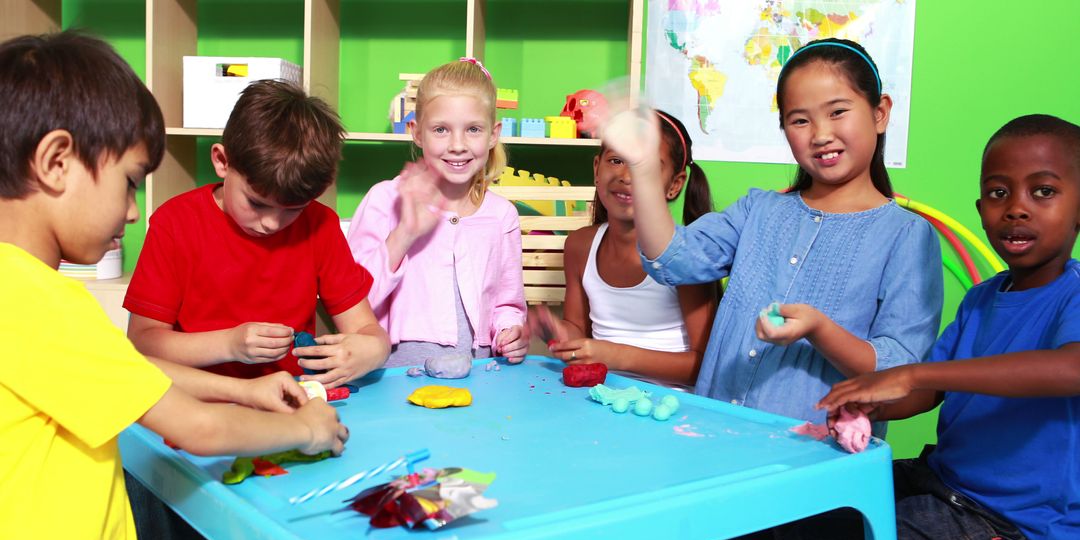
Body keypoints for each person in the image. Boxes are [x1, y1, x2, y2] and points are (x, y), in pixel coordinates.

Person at [0, 31, 348, 540]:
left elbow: (130, 372)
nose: (133, 211)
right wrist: (306, 429)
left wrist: (251, 393)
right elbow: (200, 428)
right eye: (130, 181)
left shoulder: (16, 292)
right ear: (56, 161)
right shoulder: (41, 303)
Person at [604, 38, 944, 540]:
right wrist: (646, 169)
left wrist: (819, 330)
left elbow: (900, 368)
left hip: (814, 479)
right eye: (799, 120)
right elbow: (671, 259)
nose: (822, 134)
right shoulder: (758, 210)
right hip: (715, 456)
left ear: (880, 113)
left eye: (838, 112)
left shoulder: (906, 237)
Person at [781, 114, 1080, 540]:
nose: (1017, 208)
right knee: (804, 505)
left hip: (1015, 528)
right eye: (999, 193)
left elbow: (1070, 370)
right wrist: (872, 403)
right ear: (981, 210)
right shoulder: (982, 299)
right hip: (945, 486)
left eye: (1043, 191)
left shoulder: (1074, 295)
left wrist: (910, 372)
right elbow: (927, 393)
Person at [124, 79, 389, 387]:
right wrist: (229, 345)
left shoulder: (320, 224)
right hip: (196, 398)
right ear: (223, 161)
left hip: (290, 396)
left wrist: (375, 348)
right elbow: (142, 342)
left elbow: (365, 329)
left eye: (293, 209)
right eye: (257, 203)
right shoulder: (175, 223)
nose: (272, 224)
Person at [346, 58, 528, 367]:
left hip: (479, 378)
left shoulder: (502, 216)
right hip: (395, 378)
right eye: (441, 129)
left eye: (473, 129)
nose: (457, 145)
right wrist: (404, 233)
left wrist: (511, 332)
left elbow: (507, 304)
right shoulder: (384, 199)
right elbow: (353, 301)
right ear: (416, 132)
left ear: (493, 134)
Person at [531, 110, 716, 386]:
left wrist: (617, 356)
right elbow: (577, 331)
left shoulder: (686, 256)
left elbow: (705, 367)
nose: (627, 175)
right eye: (616, 160)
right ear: (596, 169)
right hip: (602, 398)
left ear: (674, 185)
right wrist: (555, 330)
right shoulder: (579, 246)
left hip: (673, 409)